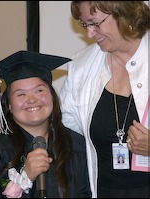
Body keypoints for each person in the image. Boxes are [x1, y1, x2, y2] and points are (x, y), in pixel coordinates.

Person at [0, 50, 92, 198]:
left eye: (39, 90)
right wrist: (25, 176)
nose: (31, 100)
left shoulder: (76, 144)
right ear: (9, 104)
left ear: (52, 97)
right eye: (21, 94)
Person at [60, 1, 150, 198]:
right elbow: (67, 133)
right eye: (85, 25)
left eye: (95, 23)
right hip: (104, 191)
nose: (89, 34)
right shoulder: (80, 67)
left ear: (123, 13)